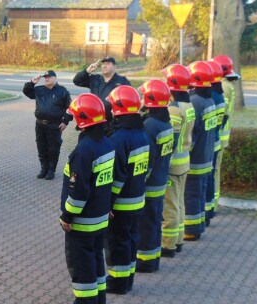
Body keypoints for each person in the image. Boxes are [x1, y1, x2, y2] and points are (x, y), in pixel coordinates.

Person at [60, 93, 115, 304]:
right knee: (96, 264)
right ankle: (100, 300)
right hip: (99, 220)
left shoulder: (83, 151)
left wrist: (67, 217)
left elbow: (79, 192)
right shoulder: (108, 145)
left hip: (82, 225)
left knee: (82, 270)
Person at [104, 85, 150, 294]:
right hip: (138, 198)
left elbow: (117, 177)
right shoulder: (142, 133)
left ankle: (118, 282)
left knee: (118, 243)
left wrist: (109, 204)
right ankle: (128, 278)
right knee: (131, 240)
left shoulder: (119, 139)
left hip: (121, 204)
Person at [136, 80, 174, 273]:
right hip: (160, 181)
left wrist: (139, 183)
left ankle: (145, 260)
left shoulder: (150, 126)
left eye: (144, 96)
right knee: (155, 221)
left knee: (147, 223)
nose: (141, 99)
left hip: (150, 185)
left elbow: (148, 161)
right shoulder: (165, 122)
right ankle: (154, 256)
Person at [161, 64, 195, 257]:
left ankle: (168, 244)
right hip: (185, 161)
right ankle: (179, 239)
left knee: (170, 207)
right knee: (179, 203)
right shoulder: (188, 104)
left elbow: (171, 140)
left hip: (173, 164)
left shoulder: (174, 109)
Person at [184, 61, 217, 241]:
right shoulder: (209, 99)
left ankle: (191, 230)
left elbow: (193, 134)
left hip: (196, 159)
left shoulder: (195, 102)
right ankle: (198, 225)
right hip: (206, 156)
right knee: (200, 193)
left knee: (191, 195)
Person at [23, 70, 72, 180]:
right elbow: (26, 91)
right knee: (42, 148)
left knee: (53, 149)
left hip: (54, 125)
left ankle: (51, 170)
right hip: (40, 125)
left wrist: (65, 121)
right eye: (45, 77)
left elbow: (70, 108)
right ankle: (43, 169)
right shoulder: (39, 90)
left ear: (55, 78)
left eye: (49, 77)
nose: (46, 79)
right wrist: (32, 82)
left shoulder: (62, 91)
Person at [211, 55, 240, 217]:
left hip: (218, 137)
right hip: (222, 137)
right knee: (215, 171)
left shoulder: (223, 87)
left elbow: (221, 114)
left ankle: (213, 204)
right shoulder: (227, 84)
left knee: (214, 171)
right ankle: (213, 202)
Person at [73, 56, 131, 123]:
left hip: (112, 121)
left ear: (115, 67)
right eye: (103, 64)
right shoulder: (95, 79)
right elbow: (77, 81)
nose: (104, 66)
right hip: (95, 120)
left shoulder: (122, 81)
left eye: (108, 63)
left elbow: (128, 99)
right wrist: (87, 71)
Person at [204, 61, 227, 226]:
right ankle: (209, 209)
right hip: (215, 140)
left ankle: (207, 211)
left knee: (207, 180)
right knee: (210, 178)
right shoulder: (219, 95)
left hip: (208, 144)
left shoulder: (210, 97)